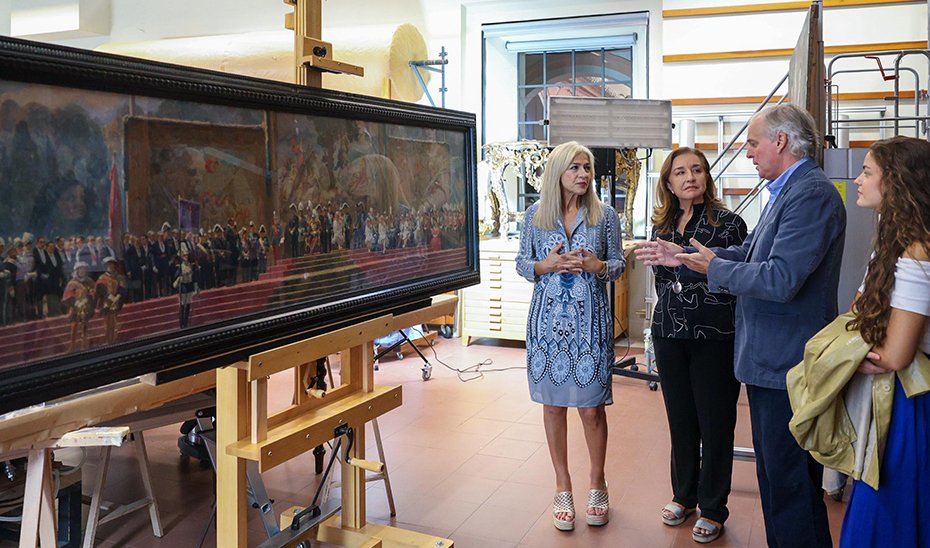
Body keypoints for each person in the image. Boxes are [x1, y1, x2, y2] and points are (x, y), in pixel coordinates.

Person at [636, 103, 843, 547]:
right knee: (778, 483)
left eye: (752, 143)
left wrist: (710, 269)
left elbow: (780, 278)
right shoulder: (785, 191)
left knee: (787, 486)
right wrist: (687, 260)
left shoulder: (810, 193)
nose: (748, 153)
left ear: (780, 142)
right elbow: (751, 256)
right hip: (768, 357)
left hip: (785, 358)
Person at [515, 141, 624, 531]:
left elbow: (618, 265)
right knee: (552, 406)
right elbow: (522, 264)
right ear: (558, 172)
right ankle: (562, 485)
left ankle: (597, 480)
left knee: (592, 408)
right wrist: (543, 265)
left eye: (587, 168)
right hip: (546, 327)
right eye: (575, 168)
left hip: (590, 324)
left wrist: (599, 265)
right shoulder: (533, 217)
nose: (583, 175)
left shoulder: (605, 216)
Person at [642, 148, 747, 543]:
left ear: (707, 176)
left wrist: (686, 265)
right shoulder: (662, 225)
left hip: (714, 335)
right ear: (668, 183)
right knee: (681, 418)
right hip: (669, 332)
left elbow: (735, 276)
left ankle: (714, 506)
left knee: (715, 421)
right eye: (681, 172)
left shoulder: (730, 224)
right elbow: (662, 283)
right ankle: (683, 495)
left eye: (697, 170)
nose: (690, 177)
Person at [840, 136, 930, 547]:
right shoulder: (896, 242)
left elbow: (895, 354)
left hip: (911, 404)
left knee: (890, 509)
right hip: (898, 398)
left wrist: (841, 358)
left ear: (895, 182)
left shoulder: (915, 251)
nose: (858, 180)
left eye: (867, 171)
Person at [62, 261, 95, 351]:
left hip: (86, 307)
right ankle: (72, 346)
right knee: (74, 327)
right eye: (80, 269)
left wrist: (88, 299)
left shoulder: (89, 281)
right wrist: (77, 303)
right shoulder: (72, 283)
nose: (82, 271)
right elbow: (68, 296)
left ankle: (84, 345)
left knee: (85, 326)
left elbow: (93, 292)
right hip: (75, 308)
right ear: (77, 270)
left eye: (84, 269)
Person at [95, 256, 125, 345]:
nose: (110, 266)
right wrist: (109, 298)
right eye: (108, 265)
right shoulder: (102, 278)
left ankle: (114, 340)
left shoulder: (119, 277)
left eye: (112, 264)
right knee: (108, 324)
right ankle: (108, 341)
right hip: (106, 303)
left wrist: (117, 297)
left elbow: (122, 289)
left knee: (115, 322)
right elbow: (100, 290)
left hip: (116, 303)